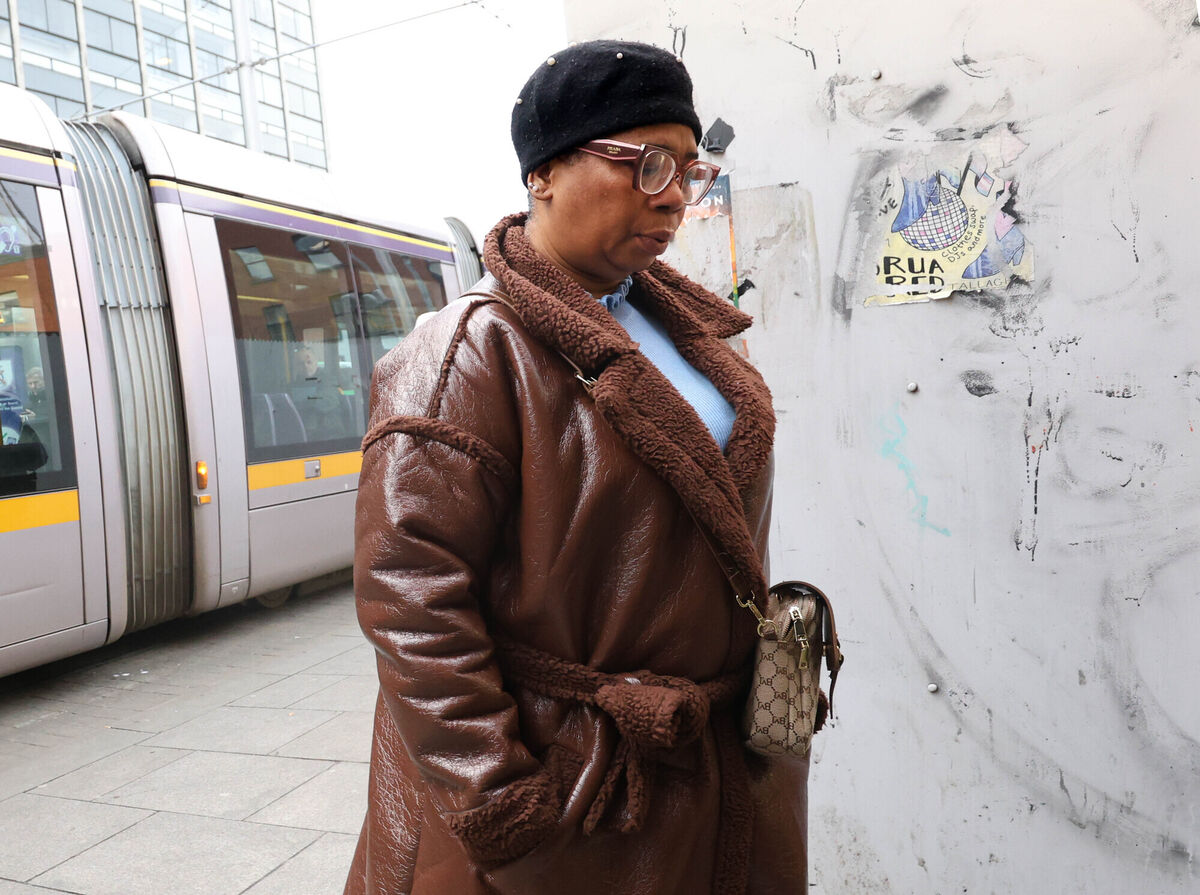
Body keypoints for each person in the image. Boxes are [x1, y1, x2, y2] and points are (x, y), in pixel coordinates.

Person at [346, 40, 804, 895]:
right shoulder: (464, 355)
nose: (674, 198)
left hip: (704, 772)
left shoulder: (676, 331)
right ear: (544, 172)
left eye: (689, 171)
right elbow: (409, 601)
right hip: (579, 803)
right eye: (647, 164)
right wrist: (507, 809)